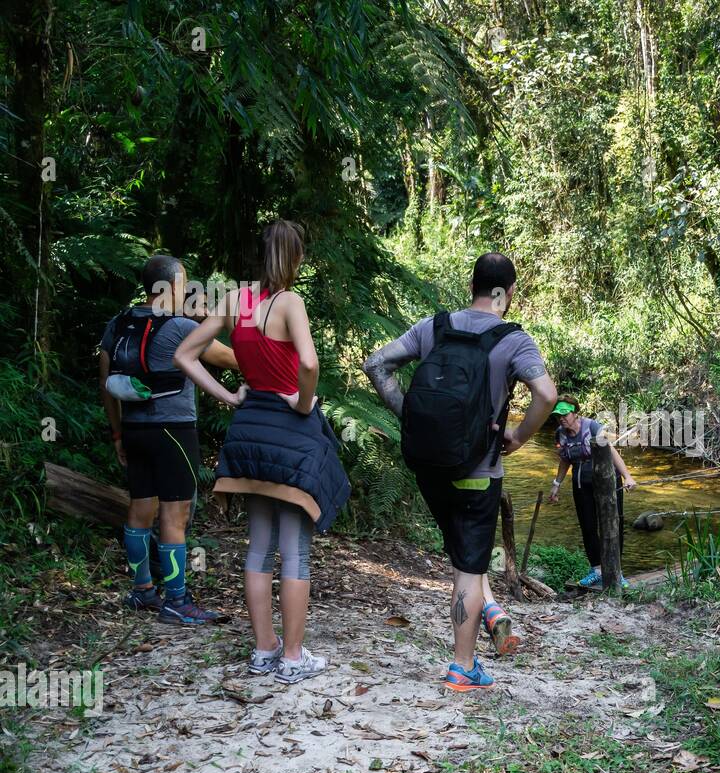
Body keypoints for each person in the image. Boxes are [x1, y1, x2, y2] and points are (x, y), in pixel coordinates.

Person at [364, 252, 556, 691]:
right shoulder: (513, 339)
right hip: (478, 472)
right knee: (470, 568)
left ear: (473, 286)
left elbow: (376, 365)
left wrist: (408, 415)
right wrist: (520, 436)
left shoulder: (433, 327)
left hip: (430, 470)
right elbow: (545, 394)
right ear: (505, 294)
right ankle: (463, 666)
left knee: (461, 557)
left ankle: (488, 613)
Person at [174, 220, 350, 685]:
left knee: (258, 549)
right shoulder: (290, 302)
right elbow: (309, 363)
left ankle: (263, 649)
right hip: (289, 434)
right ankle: (293, 659)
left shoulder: (237, 302)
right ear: (295, 258)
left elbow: (185, 355)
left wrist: (229, 397)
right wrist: (304, 401)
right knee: (295, 553)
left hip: (249, 433)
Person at [99, 254, 240, 624]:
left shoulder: (119, 323)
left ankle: (142, 590)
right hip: (173, 430)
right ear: (173, 285)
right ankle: (177, 599)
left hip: (134, 430)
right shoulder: (180, 327)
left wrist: (117, 433)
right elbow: (228, 359)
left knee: (140, 507)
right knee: (174, 515)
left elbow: (105, 383)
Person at [547, 397, 637, 587]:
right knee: (588, 526)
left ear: (575, 413)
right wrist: (557, 483)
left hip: (607, 482)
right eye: (558, 415)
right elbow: (564, 459)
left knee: (614, 523)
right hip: (581, 483)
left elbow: (611, 452)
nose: (561, 419)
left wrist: (627, 476)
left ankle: (615, 571)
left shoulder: (593, 427)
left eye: (565, 414)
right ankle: (596, 569)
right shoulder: (560, 435)